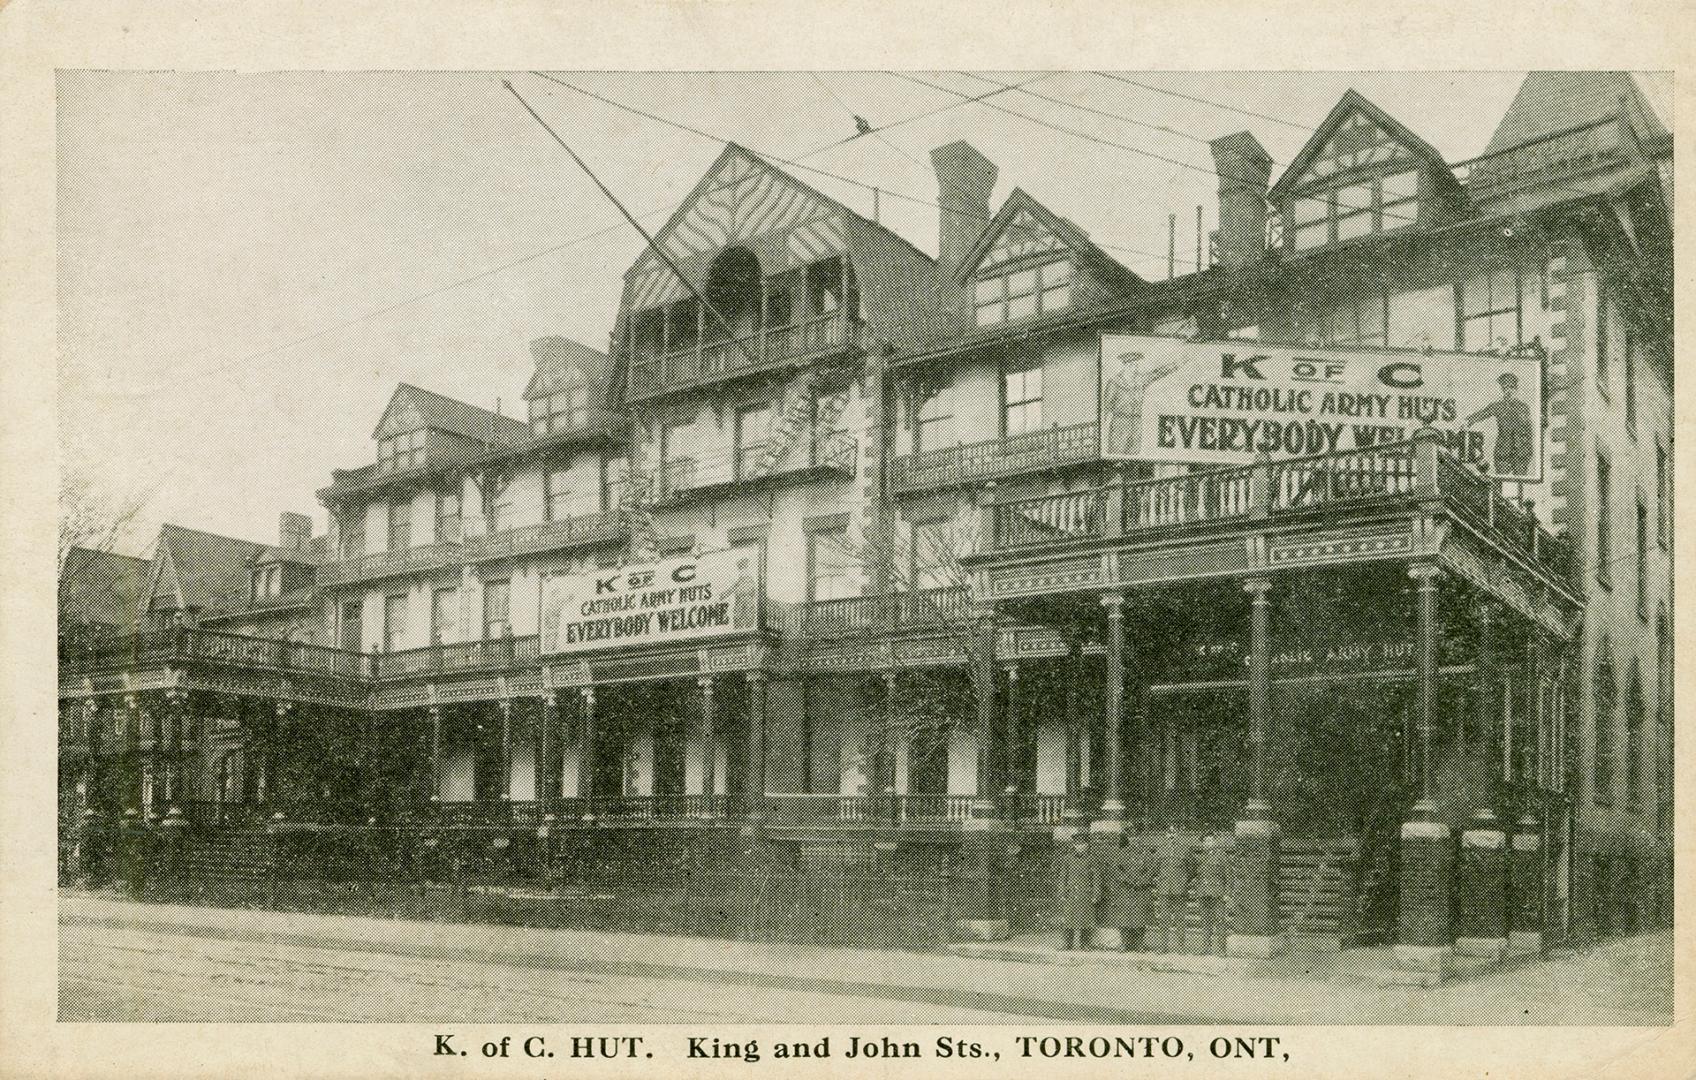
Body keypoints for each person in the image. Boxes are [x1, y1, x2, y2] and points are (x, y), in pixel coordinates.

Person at [1102, 351, 1181, 457]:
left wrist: (1176, 365)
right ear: (1126, 365)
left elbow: (1157, 374)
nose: (1135, 368)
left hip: (1136, 422)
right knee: (1117, 453)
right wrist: (1102, 422)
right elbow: (1105, 405)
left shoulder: (1140, 380)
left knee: (1134, 455)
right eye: (1132, 365)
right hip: (1120, 421)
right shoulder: (1114, 382)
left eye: (1136, 365)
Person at [1464, 371, 1534, 478]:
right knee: (1500, 482)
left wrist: (1529, 450)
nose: (1508, 391)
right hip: (1503, 452)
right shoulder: (1498, 406)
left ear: (1515, 389)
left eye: (1511, 387)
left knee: (1521, 483)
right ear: (1502, 389)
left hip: (1521, 452)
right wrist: (1468, 421)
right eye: (1505, 388)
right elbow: (1483, 413)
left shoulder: (1524, 407)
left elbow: (1529, 430)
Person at [1097, 831, 1155, 952]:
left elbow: (1152, 869)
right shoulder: (1122, 852)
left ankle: (1139, 945)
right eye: (1131, 837)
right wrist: (1125, 879)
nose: (1134, 839)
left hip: (1141, 889)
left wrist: (1143, 880)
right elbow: (1115, 868)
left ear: (1140, 838)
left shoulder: (1147, 853)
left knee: (1140, 917)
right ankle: (1124, 944)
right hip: (1125, 889)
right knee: (1124, 918)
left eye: (1136, 836)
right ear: (1128, 838)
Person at [1152, 823, 1193, 953]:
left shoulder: (1185, 849)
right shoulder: (1160, 849)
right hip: (1164, 889)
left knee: (1180, 918)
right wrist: (1159, 881)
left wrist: (1185, 880)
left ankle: (1181, 947)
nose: (1172, 836)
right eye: (1169, 833)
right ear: (1166, 835)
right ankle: (1163, 946)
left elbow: (1192, 868)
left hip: (1179, 889)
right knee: (1164, 918)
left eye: (1174, 833)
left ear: (1178, 835)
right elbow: (1155, 868)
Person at [1055, 835, 1101, 950]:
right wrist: (1061, 893)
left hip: (1085, 893)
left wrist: (1096, 894)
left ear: (1087, 845)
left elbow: (1096, 878)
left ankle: (1085, 944)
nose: (1080, 846)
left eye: (1083, 844)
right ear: (1074, 845)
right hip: (1070, 893)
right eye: (1077, 844)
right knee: (1068, 919)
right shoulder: (1067, 858)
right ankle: (1067, 944)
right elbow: (1062, 877)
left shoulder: (1092, 859)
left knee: (1085, 919)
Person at [1193, 833, 1233, 956]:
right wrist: (1197, 888)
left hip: (1217, 893)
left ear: (1215, 842)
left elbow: (1229, 875)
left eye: (1210, 840)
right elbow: (1198, 874)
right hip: (1203, 893)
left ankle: (1222, 949)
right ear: (1203, 843)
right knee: (1205, 921)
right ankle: (1206, 948)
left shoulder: (1221, 855)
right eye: (1205, 841)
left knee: (1220, 921)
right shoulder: (1201, 857)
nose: (1208, 843)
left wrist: (1228, 893)